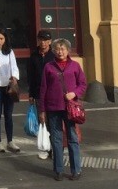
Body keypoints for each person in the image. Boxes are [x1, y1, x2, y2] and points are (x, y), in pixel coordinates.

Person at [38, 37, 85, 181]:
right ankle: (58, 170)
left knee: (72, 138)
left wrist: (74, 93)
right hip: (53, 107)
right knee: (57, 139)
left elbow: (82, 84)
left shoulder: (75, 66)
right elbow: (43, 89)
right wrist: (42, 110)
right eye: (57, 49)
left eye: (62, 48)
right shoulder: (49, 67)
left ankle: (76, 170)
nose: (60, 51)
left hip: (70, 108)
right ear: (53, 51)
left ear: (68, 50)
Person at [26, 30, 55, 160]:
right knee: (42, 121)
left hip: (53, 94)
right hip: (38, 93)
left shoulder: (53, 56)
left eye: (45, 40)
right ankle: (45, 148)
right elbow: (31, 76)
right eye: (40, 40)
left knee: (53, 122)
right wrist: (31, 94)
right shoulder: (34, 56)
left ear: (50, 41)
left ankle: (55, 148)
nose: (43, 43)